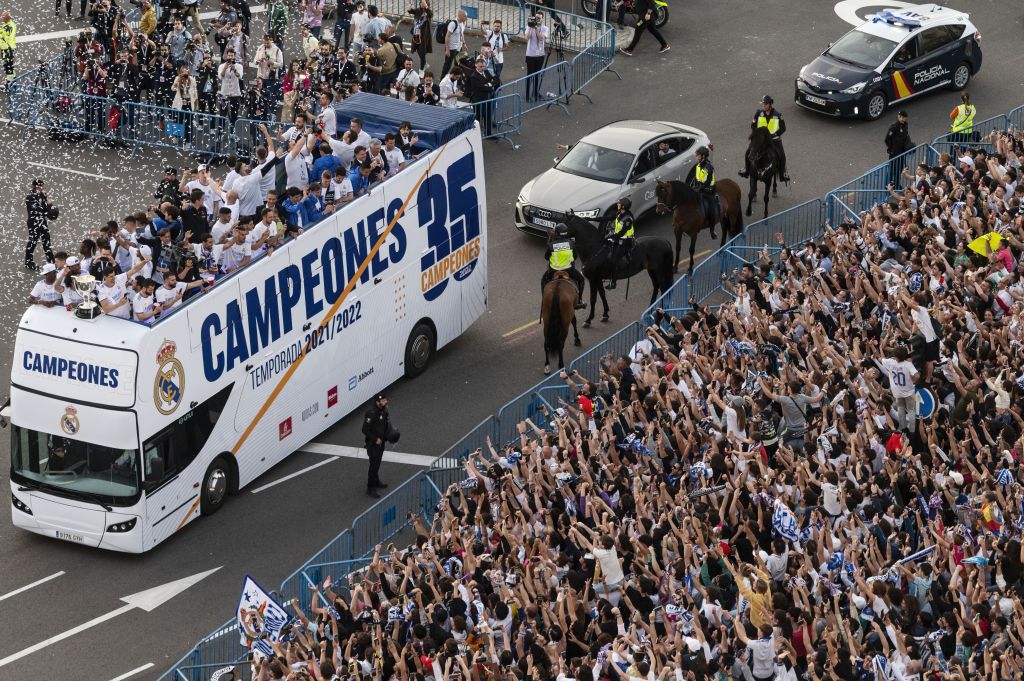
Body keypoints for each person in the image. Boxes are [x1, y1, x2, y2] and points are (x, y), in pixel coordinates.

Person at [541, 223, 586, 309]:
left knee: (543, 280)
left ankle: (544, 300)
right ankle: (579, 300)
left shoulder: (552, 245)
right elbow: (575, 257)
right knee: (581, 280)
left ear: (556, 233)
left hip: (553, 271)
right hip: (568, 270)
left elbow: (546, 257)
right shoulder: (571, 243)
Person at [361, 393, 393, 497]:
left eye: (385, 400)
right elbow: (365, 429)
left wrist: (390, 436)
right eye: (383, 401)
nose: (385, 402)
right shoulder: (371, 413)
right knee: (373, 465)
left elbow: (386, 426)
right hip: (373, 444)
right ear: (377, 402)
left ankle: (376, 481)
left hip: (381, 443)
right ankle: (370, 488)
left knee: (377, 463)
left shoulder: (384, 412)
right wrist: (375, 439)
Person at [752, 95, 788, 181]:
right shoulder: (758, 114)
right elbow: (753, 125)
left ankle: (783, 174)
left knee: (782, 155)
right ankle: (746, 169)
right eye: (763, 104)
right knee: (749, 151)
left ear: (770, 104)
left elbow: (783, 128)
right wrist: (757, 133)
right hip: (761, 140)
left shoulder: (778, 115)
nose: (763, 106)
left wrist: (775, 134)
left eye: (765, 104)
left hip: (774, 140)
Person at [685, 145, 719, 237]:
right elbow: (697, 178)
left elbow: (707, 181)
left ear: (703, 156)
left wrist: (699, 189)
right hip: (700, 187)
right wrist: (692, 187)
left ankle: (712, 230)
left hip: (709, 190)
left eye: (698, 155)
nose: (696, 156)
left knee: (711, 211)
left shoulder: (708, 167)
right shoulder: (698, 165)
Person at [601, 198, 634, 288]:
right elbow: (606, 218)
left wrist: (609, 236)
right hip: (617, 239)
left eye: (619, 203)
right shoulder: (619, 214)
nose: (617, 204)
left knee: (613, 261)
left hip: (626, 242)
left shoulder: (628, 219)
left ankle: (613, 282)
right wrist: (591, 218)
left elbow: (621, 233)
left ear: (623, 206)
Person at [25, 179, 56, 271]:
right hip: (33, 223)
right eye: (38, 186)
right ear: (34, 187)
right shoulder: (30, 197)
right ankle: (28, 262)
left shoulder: (43, 195)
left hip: (42, 222)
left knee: (47, 242)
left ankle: (52, 263)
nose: (41, 188)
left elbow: (46, 212)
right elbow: (38, 210)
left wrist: (50, 206)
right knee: (33, 242)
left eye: (42, 186)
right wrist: (49, 204)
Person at [466, 57, 498, 136]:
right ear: (476, 65)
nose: (482, 68)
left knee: (488, 117)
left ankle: (488, 134)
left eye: (484, 66)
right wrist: (490, 85)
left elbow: (495, 80)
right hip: (478, 101)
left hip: (488, 99)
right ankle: (475, 135)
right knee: (477, 119)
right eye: (480, 66)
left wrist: (488, 84)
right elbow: (480, 87)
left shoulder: (486, 72)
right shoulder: (473, 76)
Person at [884, 109, 913, 187]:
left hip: (902, 151)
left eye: (903, 117)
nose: (901, 118)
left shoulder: (905, 125)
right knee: (892, 169)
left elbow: (906, 136)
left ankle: (896, 184)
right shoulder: (894, 127)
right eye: (900, 116)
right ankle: (888, 184)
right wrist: (891, 148)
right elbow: (887, 139)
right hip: (894, 152)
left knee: (899, 169)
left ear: (905, 118)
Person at [523, 10, 547, 102]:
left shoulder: (545, 28)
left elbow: (541, 38)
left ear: (542, 19)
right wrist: (530, 28)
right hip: (530, 55)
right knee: (530, 75)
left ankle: (535, 93)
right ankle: (528, 95)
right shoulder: (529, 27)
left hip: (540, 55)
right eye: (536, 18)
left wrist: (536, 28)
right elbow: (527, 38)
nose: (537, 19)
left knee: (537, 75)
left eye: (539, 18)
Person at [441, 9, 466, 80]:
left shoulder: (463, 23)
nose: (466, 18)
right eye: (464, 16)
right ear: (459, 16)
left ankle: (456, 78)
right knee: (447, 65)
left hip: (459, 47)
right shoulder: (453, 24)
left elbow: (462, 33)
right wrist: (447, 49)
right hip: (451, 48)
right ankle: (442, 80)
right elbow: (447, 36)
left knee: (458, 63)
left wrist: (464, 43)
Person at [407, 0, 432, 71]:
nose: (422, 3)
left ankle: (421, 69)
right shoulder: (417, 10)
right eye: (421, 2)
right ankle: (424, 63)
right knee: (418, 49)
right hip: (416, 34)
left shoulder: (428, 12)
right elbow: (410, 11)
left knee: (422, 51)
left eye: (423, 3)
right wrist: (410, 3)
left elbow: (430, 14)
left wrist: (426, 6)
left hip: (424, 36)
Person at [1, 11, 16, 86]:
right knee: (10, 64)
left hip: (6, 49)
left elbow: (2, 37)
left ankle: (9, 83)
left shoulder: (7, 28)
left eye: (3, 18)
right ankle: (13, 78)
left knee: (7, 66)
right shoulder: (12, 24)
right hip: (10, 47)